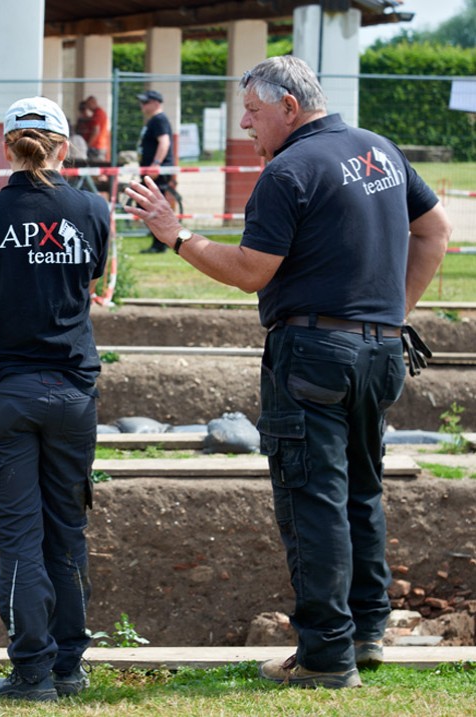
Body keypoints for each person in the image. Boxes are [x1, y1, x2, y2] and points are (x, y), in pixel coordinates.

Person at [125, 56, 451, 689]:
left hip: (312, 356)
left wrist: (175, 234)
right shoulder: (379, 150)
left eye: (252, 111)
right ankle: (367, 630)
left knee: (312, 500)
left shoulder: (289, 170)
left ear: (289, 108)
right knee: (361, 488)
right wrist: (388, 316)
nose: (245, 125)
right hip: (381, 353)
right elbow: (434, 231)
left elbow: (251, 271)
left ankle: (326, 655)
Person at [0, 96, 108, 702]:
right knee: (66, 531)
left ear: (6, 146)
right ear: (65, 147)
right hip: (71, 395)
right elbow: (84, 290)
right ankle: (69, 667)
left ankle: (31, 673)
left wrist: (5, 309)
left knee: (19, 539)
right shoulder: (93, 210)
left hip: (5, 396)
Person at [135, 90, 177, 254]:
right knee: (146, 205)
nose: (142, 106)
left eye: (146, 102)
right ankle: (158, 239)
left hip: (156, 171)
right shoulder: (153, 120)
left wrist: (156, 164)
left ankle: (160, 242)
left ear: (156, 103)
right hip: (151, 169)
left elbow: (164, 142)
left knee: (150, 206)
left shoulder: (159, 120)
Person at [84, 95, 109, 161]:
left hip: (96, 146)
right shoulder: (102, 112)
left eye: (88, 104)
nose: (87, 107)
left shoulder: (97, 114)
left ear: (93, 103)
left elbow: (96, 130)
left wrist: (88, 145)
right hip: (101, 146)